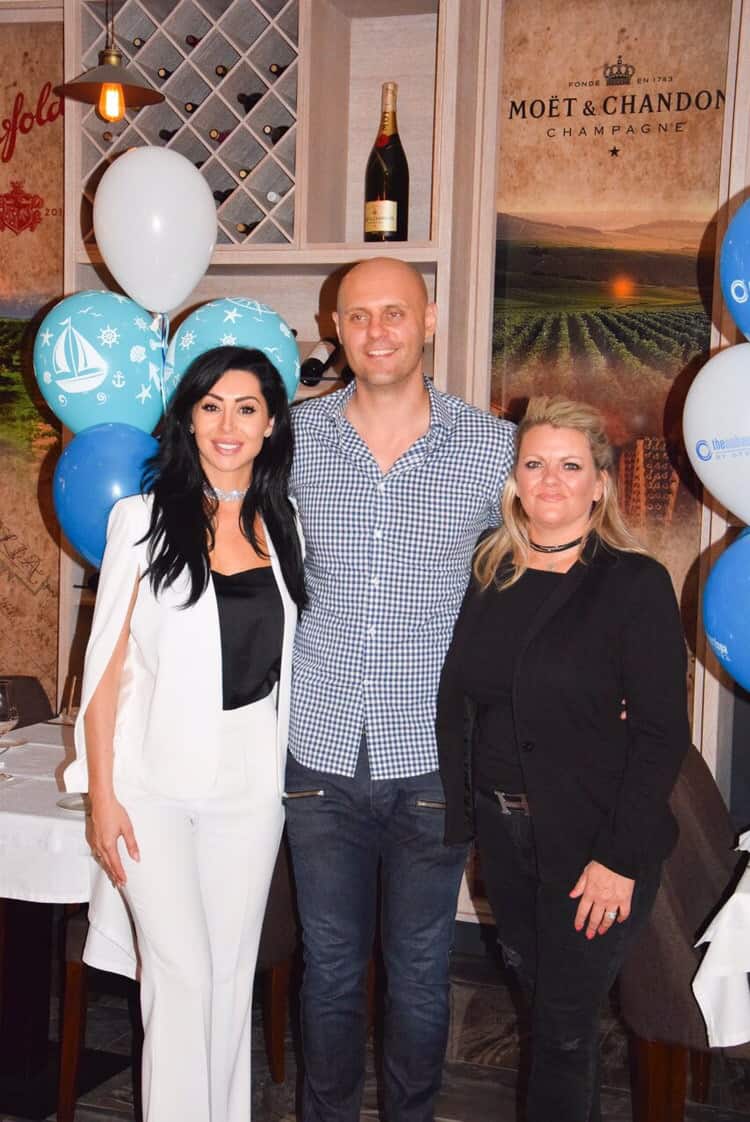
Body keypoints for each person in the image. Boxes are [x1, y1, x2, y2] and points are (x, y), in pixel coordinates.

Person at [284, 257, 516, 1122]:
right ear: (334, 329)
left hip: (432, 758)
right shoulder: (292, 439)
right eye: (358, 315)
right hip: (318, 750)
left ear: (428, 321)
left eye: (394, 312)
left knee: (420, 972)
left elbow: (545, 572)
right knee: (330, 969)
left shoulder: (492, 447)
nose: (376, 330)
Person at [64, 346, 306, 1122]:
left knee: (231, 980)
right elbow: (103, 675)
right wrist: (102, 796)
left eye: (246, 408)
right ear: (189, 420)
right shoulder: (139, 521)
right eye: (211, 406)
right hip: (151, 786)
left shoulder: (286, 525)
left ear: (270, 425)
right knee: (181, 978)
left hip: (251, 784)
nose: (227, 424)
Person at [436, 395, 691, 1122]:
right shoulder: (489, 573)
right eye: (535, 464)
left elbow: (660, 734)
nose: (550, 480)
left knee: (563, 1029)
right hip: (506, 838)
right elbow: (470, 702)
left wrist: (618, 858)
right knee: (543, 1008)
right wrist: (467, 821)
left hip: (594, 843)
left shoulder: (633, 583)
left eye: (570, 466)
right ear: (514, 479)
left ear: (600, 484)